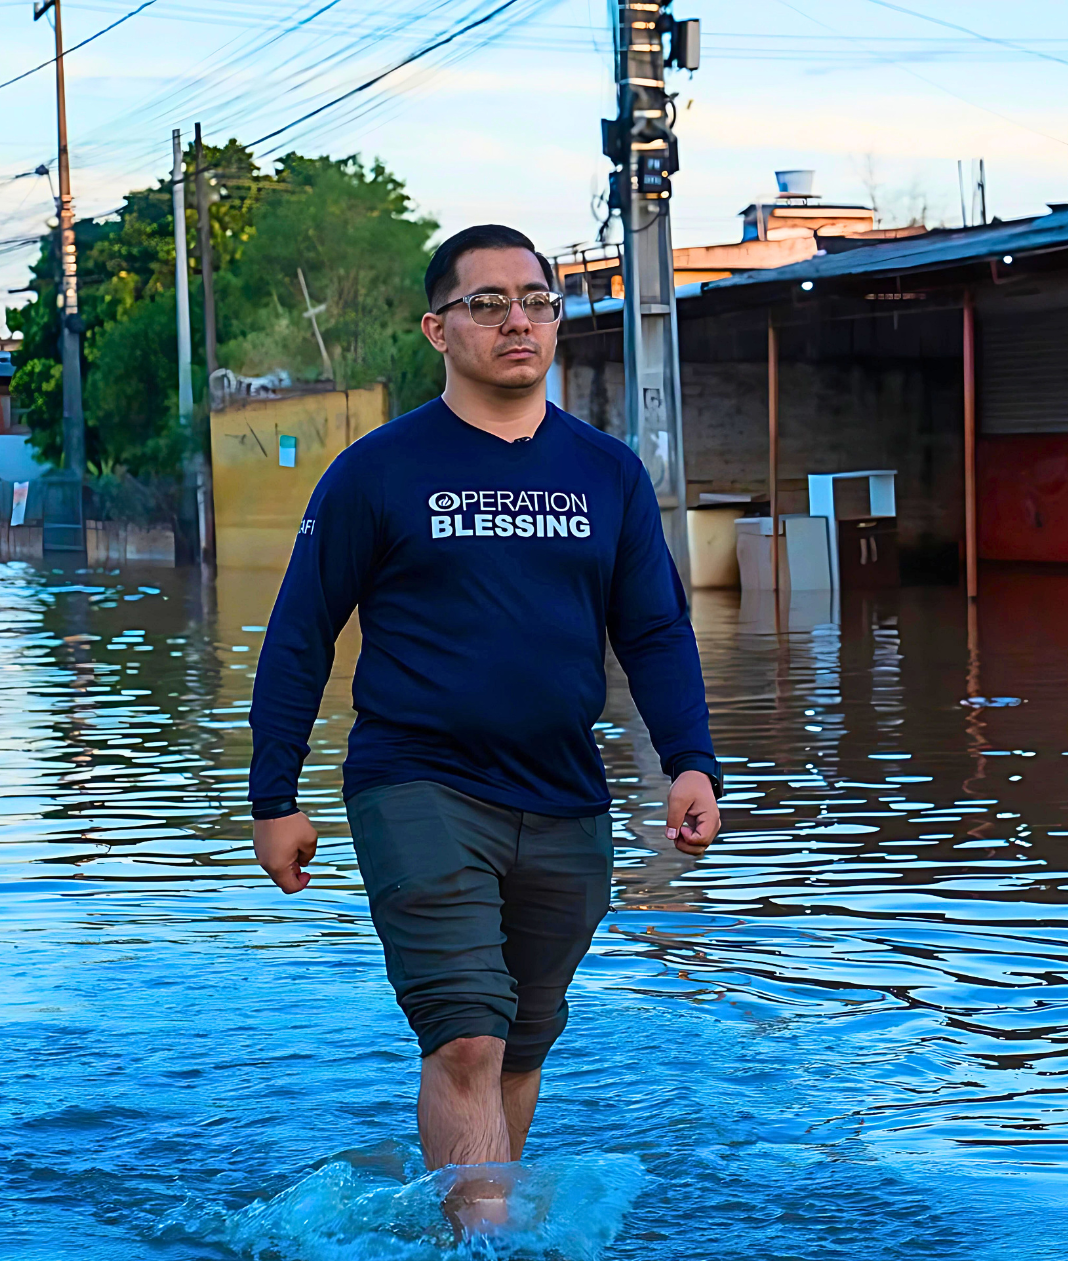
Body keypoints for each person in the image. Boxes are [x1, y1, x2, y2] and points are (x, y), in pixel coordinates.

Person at [245, 224, 721, 1234]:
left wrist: (689, 761)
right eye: (489, 302)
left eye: (537, 301)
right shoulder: (377, 471)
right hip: (415, 783)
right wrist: (272, 798)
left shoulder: (607, 474)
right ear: (437, 328)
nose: (518, 321)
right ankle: (489, 1244)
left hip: (562, 796)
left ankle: (467, 1220)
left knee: (522, 1041)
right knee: (465, 1038)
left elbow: (655, 629)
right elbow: (299, 636)